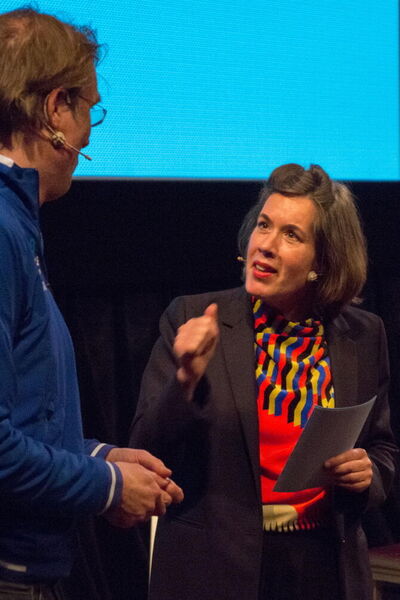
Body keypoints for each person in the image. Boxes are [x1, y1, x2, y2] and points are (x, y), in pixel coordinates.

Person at [130, 163, 397, 600]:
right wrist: (186, 379)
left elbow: (383, 448)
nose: (266, 245)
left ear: (323, 260)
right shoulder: (192, 317)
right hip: (216, 569)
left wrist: (368, 474)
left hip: (323, 566)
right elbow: (146, 447)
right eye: (264, 225)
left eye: (292, 235)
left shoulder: (363, 335)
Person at [0, 7, 183, 599]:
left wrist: (102, 455)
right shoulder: (1, 229)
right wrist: (105, 486)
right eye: (88, 112)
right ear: (55, 108)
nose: (86, 138)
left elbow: (27, 418)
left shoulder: (19, 225)